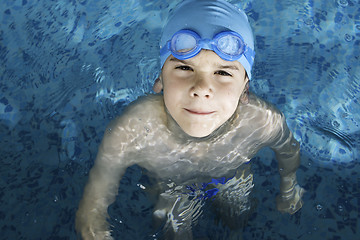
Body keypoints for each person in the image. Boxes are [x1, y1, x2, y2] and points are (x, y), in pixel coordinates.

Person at [75, 0, 305, 239]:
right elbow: (95, 202)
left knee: (237, 217)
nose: (202, 88)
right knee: (174, 228)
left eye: (223, 73)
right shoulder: (135, 128)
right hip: (170, 188)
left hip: (232, 178)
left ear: (244, 90)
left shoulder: (261, 121)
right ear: (160, 80)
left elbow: (288, 150)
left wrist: (290, 186)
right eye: (185, 69)